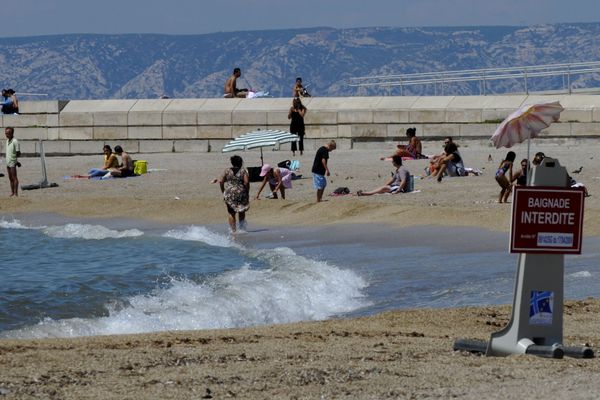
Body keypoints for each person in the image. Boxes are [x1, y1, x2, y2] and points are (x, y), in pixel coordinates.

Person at [218, 155, 250, 234]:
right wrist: (247, 192)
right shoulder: (243, 171)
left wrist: (223, 191)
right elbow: (246, 182)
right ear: (241, 162)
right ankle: (242, 229)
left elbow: (221, 181)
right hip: (241, 192)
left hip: (229, 193)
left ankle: (233, 231)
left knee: (231, 212)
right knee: (241, 211)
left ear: (232, 162)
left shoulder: (227, 170)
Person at [5, 127, 21, 197]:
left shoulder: (15, 141)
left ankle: (16, 193)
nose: (6, 134)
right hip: (8, 162)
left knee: (14, 178)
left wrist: (16, 161)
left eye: (8, 133)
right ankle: (12, 192)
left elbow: (18, 152)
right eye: (6, 133)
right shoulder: (7, 141)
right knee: (10, 178)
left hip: (12, 162)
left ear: (12, 133)